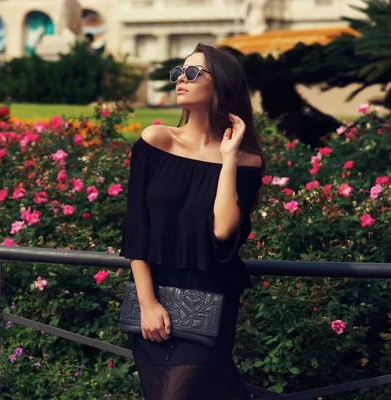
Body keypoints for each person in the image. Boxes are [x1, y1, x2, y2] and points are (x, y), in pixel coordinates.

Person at [118, 43, 265, 399]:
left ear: (222, 85)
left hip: (210, 301)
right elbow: (136, 225)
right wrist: (148, 302)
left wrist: (228, 158)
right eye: (179, 72)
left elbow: (223, 229)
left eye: (193, 72)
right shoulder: (155, 140)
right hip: (152, 302)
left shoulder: (246, 161)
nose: (181, 79)